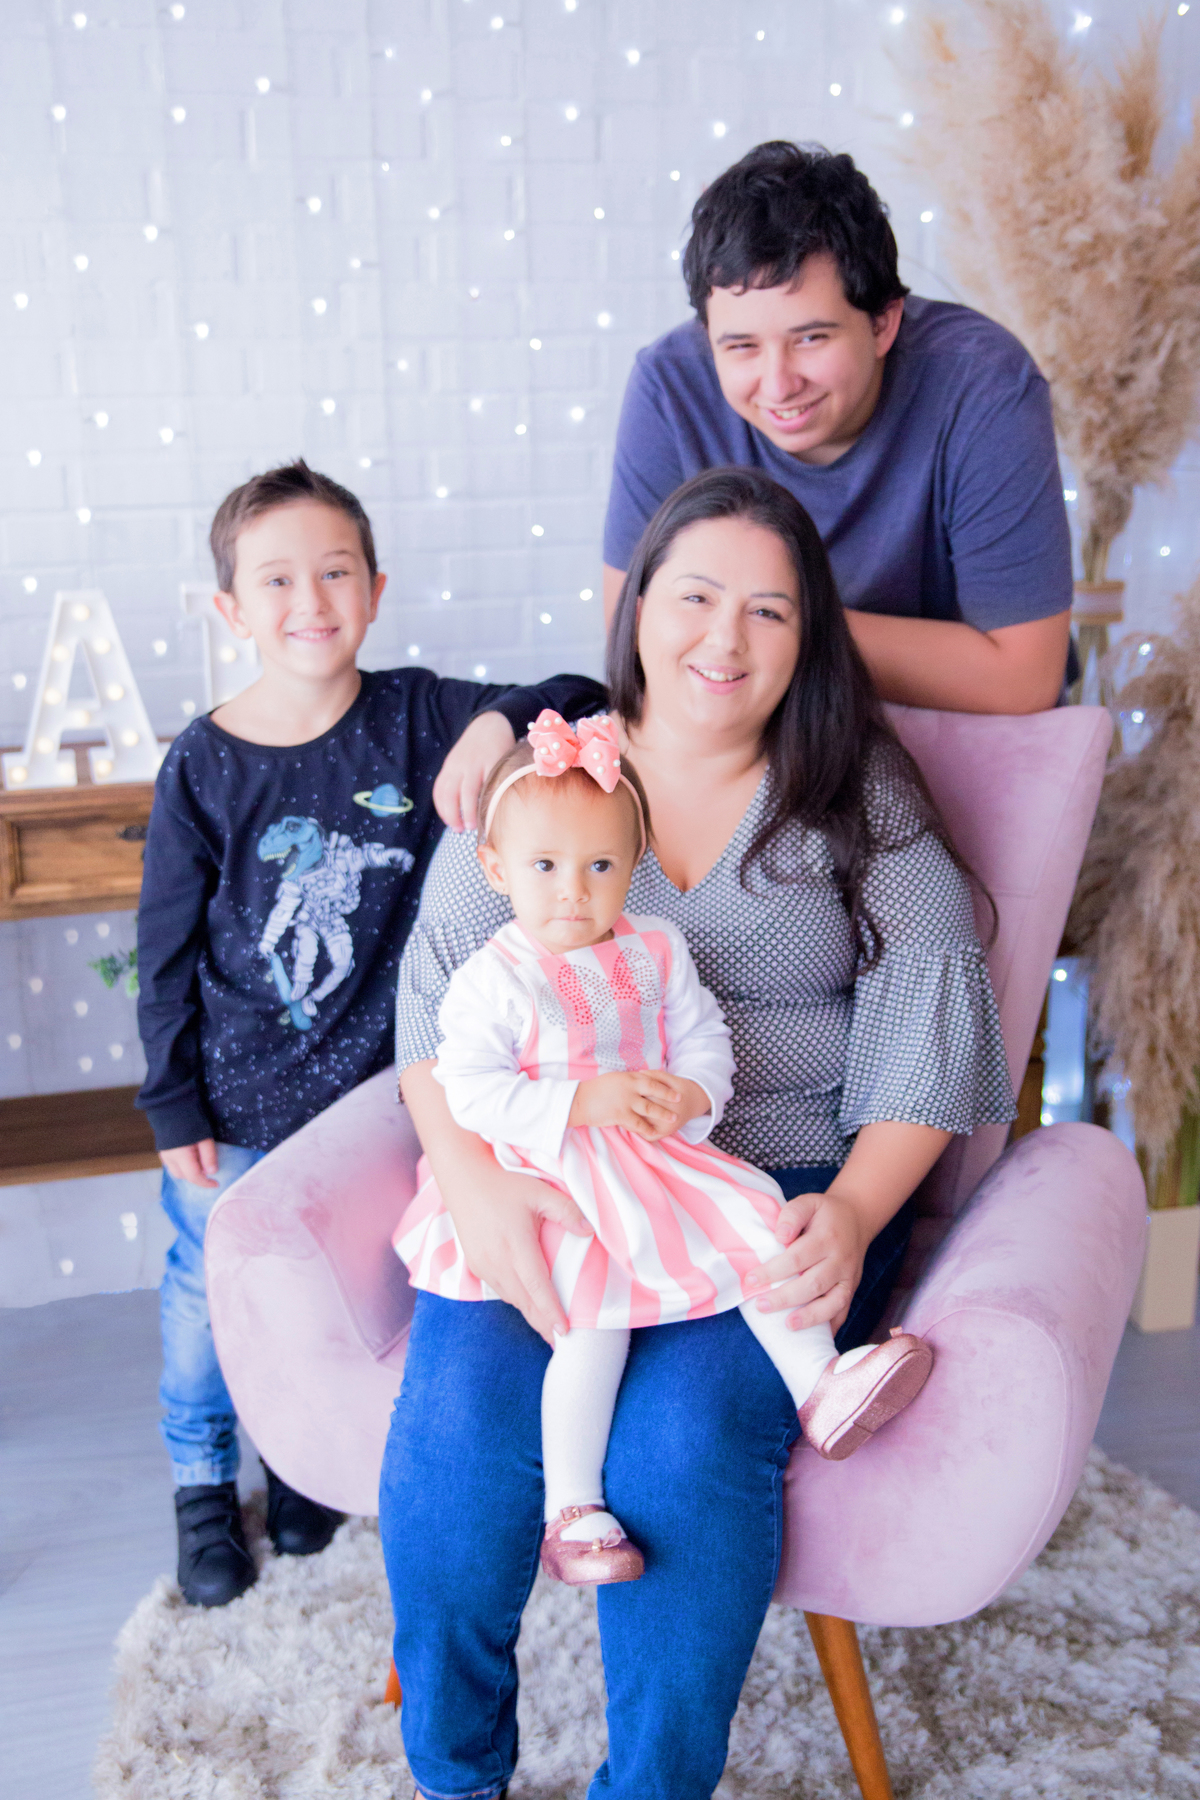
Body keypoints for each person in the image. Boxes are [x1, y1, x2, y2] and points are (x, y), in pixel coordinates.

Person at [381, 467, 1016, 1800]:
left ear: (812, 637)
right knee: (456, 1430)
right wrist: (477, 1191)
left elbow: (929, 1010)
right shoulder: (536, 778)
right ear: (636, 609)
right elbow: (438, 1010)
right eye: (697, 597)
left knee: (676, 1450)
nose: (725, 641)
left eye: (771, 612)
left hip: (769, 1184)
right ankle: (451, 1774)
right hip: (539, 1167)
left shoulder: (858, 793)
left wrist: (850, 1210)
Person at [135, 458, 604, 1608]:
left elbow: (583, 692)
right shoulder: (204, 763)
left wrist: (493, 726)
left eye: (335, 571)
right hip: (240, 1103)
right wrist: (170, 1099)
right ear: (230, 611)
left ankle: (299, 1465)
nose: (311, 600)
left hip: (386, 1100)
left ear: (377, 588)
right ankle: (203, 1484)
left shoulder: (415, 714)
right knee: (208, 1296)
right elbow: (163, 948)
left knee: (342, 1291)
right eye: (277, 579)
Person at [394, 712, 935, 1592]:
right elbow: (472, 1090)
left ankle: (821, 1383)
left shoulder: (657, 946)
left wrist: (693, 1095)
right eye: (544, 868)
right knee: (591, 1331)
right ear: (494, 869)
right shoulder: (493, 978)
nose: (573, 891)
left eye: (600, 867)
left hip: (650, 1156)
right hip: (553, 1170)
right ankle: (571, 1509)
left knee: (762, 1224)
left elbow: (702, 1037)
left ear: (633, 865)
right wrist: (581, 1101)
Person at [601, 140, 1075, 715]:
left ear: (883, 323)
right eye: (742, 346)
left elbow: (1021, 681)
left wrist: (774, 627)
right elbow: (635, 640)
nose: (778, 385)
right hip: (765, 736)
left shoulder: (983, 383)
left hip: (960, 736)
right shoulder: (670, 386)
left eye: (810, 339)